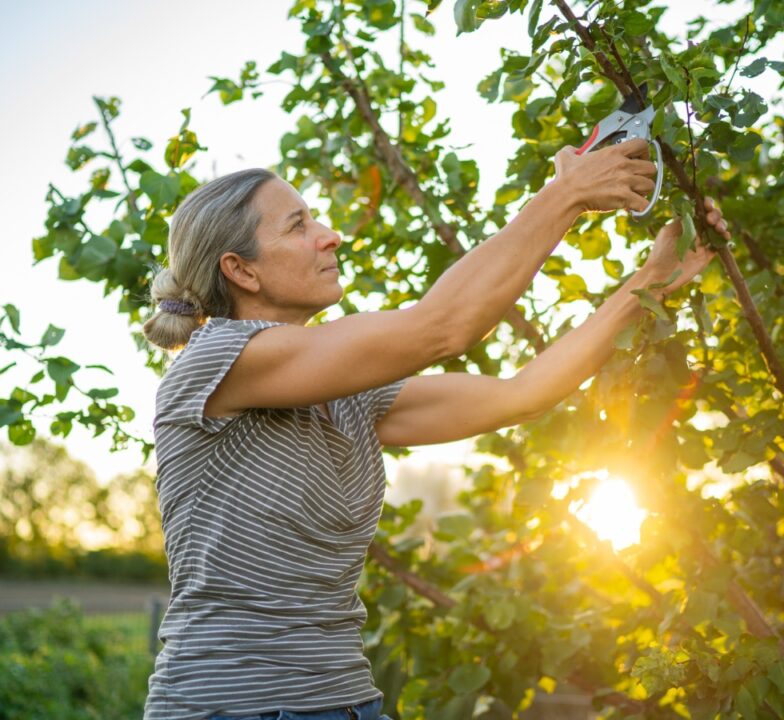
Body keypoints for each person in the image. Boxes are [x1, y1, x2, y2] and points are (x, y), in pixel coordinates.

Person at [140, 137, 730, 720]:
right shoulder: (218, 361)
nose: (329, 235)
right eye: (298, 227)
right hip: (232, 706)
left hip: (344, 701)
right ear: (241, 270)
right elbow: (444, 326)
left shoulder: (348, 394)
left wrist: (651, 285)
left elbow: (523, 395)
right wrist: (568, 195)